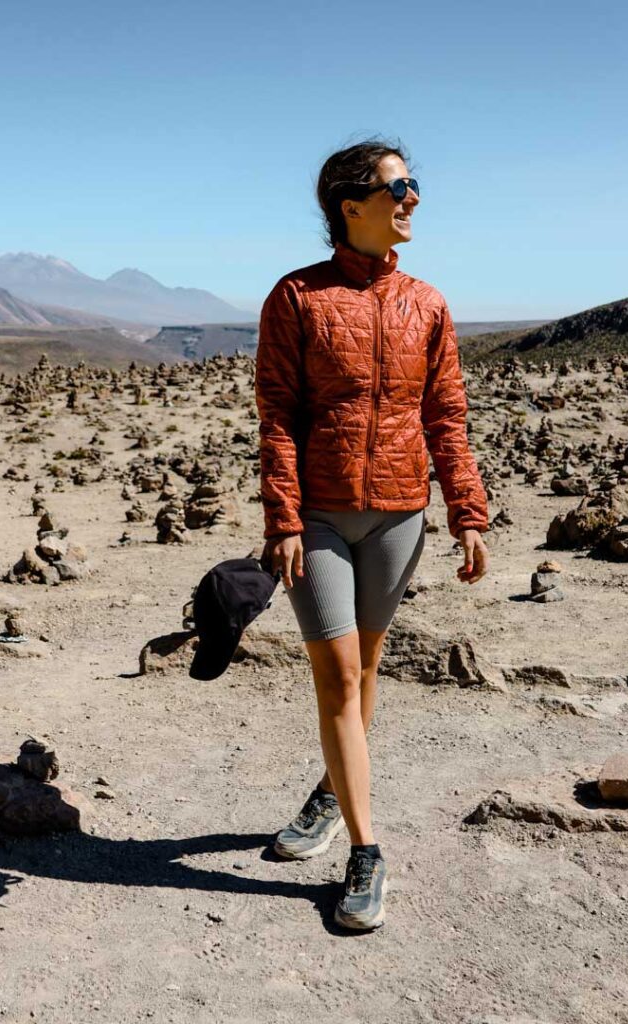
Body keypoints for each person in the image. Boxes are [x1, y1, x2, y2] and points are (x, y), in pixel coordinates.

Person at [254, 136, 490, 930]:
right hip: (319, 515)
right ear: (351, 205)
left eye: (414, 185)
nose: (414, 198)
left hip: (398, 513)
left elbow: (446, 417)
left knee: (368, 673)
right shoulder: (297, 298)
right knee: (340, 680)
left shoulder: (427, 302)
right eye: (401, 186)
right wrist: (283, 517)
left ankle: (328, 792)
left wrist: (466, 509)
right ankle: (366, 851)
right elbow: (277, 416)